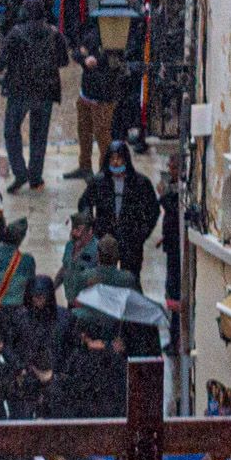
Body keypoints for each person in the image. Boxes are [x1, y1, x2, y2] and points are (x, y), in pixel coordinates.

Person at [0, 0, 69, 194]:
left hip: (20, 90)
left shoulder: (15, 34)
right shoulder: (54, 34)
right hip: (45, 91)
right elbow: (64, 61)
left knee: (11, 131)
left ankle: (20, 172)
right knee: (39, 136)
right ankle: (35, 177)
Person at [79, 141, 160, 280]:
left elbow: (153, 210)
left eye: (119, 158)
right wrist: (90, 226)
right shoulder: (99, 182)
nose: (116, 162)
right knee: (103, 278)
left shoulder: (140, 183)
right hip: (105, 239)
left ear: (126, 159)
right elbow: (84, 203)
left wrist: (142, 233)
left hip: (130, 240)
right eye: (112, 158)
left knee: (130, 279)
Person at [66, 19, 123, 183]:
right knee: (84, 131)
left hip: (104, 96)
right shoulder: (92, 34)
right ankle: (84, 166)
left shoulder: (118, 40)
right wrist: (85, 59)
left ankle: (105, 171)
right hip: (87, 92)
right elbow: (77, 52)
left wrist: (96, 60)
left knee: (102, 133)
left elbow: (115, 63)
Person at [54, 210, 100, 305]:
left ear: (90, 230)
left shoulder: (98, 250)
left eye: (79, 229)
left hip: (88, 306)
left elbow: (101, 279)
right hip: (71, 300)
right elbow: (65, 268)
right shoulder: (69, 245)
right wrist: (52, 288)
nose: (74, 233)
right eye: (73, 228)